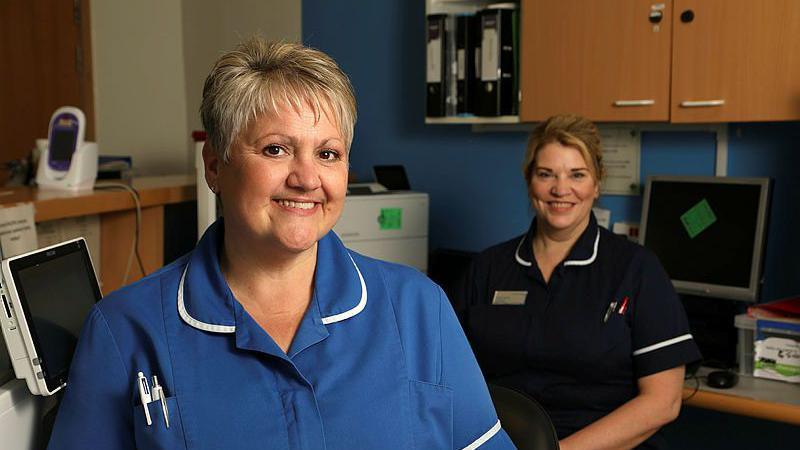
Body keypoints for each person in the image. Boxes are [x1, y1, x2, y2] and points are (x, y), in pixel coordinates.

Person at [48, 38, 514, 450]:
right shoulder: (125, 331)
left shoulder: (418, 309)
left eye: (327, 154)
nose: (307, 178)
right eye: (276, 149)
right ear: (215, 165)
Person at [454, 114, 702, 450]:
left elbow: (664, 401)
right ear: (530, 181)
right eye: (546, 175)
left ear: (596, 184)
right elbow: (450, 381)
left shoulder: (636, 269)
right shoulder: (487, 268)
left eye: (577, 175)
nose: (560, 189)